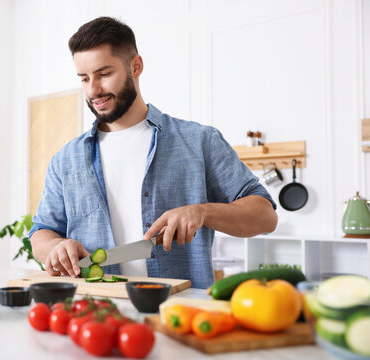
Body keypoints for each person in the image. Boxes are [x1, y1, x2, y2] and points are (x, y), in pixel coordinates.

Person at [30, 16, 277, 289]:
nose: (93, 89)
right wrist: (55, 246)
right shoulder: (66, 160)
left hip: (179, 313)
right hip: (95, 311)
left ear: (136, 66)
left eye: (104, 74)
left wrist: (202, 212)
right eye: (84, 78)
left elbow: (265, 216)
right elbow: (41, 232)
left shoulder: (199, 141)